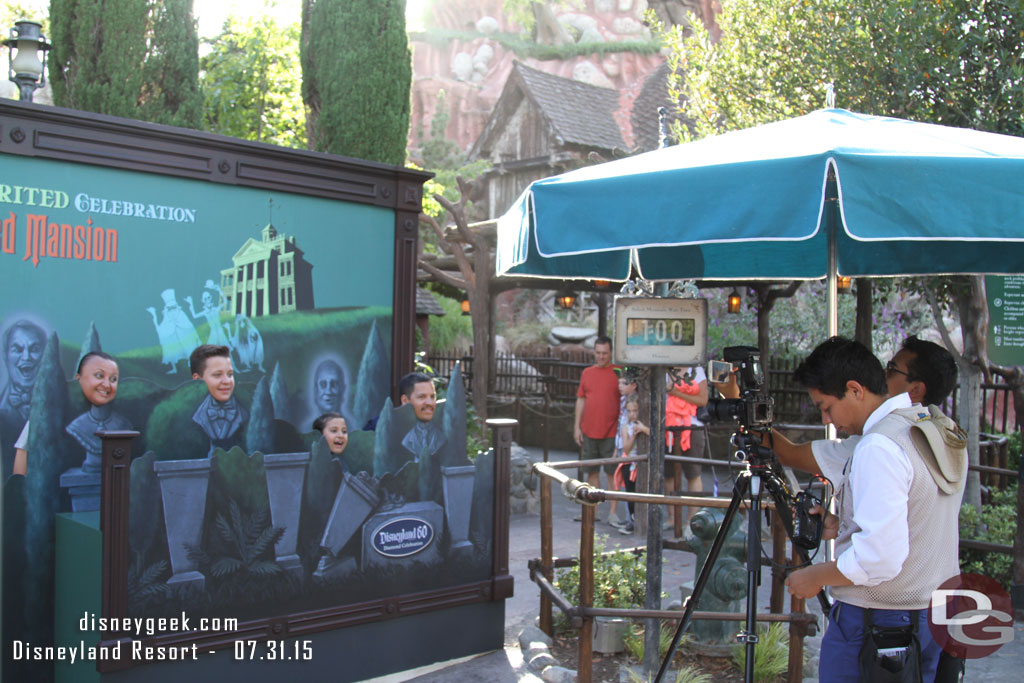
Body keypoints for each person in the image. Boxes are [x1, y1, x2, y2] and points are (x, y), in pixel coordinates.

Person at [785, 337, 966, 683]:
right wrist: (847, 523)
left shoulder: (879, 445)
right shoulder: (936, 429)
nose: (828, 419)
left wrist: (816, 576)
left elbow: (879, 558)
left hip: (880, 621)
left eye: (826, 407)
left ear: (854, 390)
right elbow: (920, 516)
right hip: (934, 613)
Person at [766, 335, 958, 482]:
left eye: (892, 369)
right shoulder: (942, 432)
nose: (883, 373)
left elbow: (877, 534)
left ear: (916, 389)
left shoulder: (879, 444)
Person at [573, 337, 620, 517]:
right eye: (598, 353)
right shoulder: (587, 373)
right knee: (591, 472)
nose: (601, 356)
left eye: (604, 353)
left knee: (611, 474)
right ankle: (593, 511)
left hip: (611, 430)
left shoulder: (618, 371)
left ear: (610, 353)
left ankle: (613, 513)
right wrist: (577, 427)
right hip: (589, 429)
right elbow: (581, 399)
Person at [64, 352, 132, 473]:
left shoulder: (123, 425)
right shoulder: (77, 426)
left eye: (113, 379)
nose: (107, 385)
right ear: (79, 378)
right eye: (99, 376)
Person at [0, 319, 45, 478]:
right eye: (17, 349)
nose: (26, 357)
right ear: (6, 356)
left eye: (34, 349)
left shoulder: (60, 410)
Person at [665, 365, 708, 529]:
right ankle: (672, 518)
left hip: (691, 426)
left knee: (693, 473)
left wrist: (676, 392)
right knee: (668, 474)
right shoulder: (665, 370)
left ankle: (692, 519)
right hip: (668, 426)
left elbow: (703, 400)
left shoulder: (696, 371)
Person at [190, 344, 248, 456]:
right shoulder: (194, 418)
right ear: (197, 379)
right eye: (217, 375)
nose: (227, 381)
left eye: (230, 374)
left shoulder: (246, 414)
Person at [609, 371, 640, 530]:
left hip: (634, 456)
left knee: (635, 491)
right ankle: (631, 519)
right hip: (626, 451)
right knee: (628, 489)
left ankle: (634, 520)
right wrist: (617, 448)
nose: (619, 386)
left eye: (624, 383)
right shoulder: (623, 402)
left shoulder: (636, 402)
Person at [615, 396, 649, 535]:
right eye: (629, 411)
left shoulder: (644, 424)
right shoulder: (625, 427)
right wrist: (634, 434)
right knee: (630, 493)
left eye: (635, 410)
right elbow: (626, 448)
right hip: (629, 463)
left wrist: (643, 429)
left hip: (642, 464)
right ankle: (632, 520)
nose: (632, 414)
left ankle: (642, 521)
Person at [398, 371, 446, 461]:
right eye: (422, 397)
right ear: (405, 400)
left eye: (432, 397)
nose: (430, 403)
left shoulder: (444, 436)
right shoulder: (395, 436)